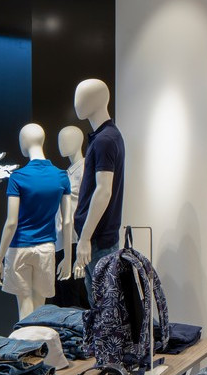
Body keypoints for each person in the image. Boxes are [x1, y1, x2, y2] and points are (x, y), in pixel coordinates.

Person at [0, 123, 73, 319]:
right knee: (39, 310)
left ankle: (25, 340)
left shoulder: (18, 177)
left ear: (24, 141)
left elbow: (11, 223)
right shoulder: (61, 176)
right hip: (46, 249)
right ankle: (37, 339)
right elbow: (67, 221)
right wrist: (68, 257)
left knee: (24, 308)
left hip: (19, 249)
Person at [71, 79, 126, 303]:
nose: (76, 103)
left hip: (98, 240)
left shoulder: (105, 140)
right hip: (98, 239)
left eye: (82, 97)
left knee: (104, 306)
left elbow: (104, 191)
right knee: (101, 305)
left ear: (99, 100)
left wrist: (85, 238)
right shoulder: (105, 137)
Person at [49, 126, 89, 308]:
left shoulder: (85, 170)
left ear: (79, 141)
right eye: (59, 140)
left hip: (75, 242)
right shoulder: (68, 172)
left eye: (66, 140)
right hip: (61, 242)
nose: (61, 144)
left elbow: (89, 208)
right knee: (62, 300)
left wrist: (80, 256)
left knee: (75, 300)